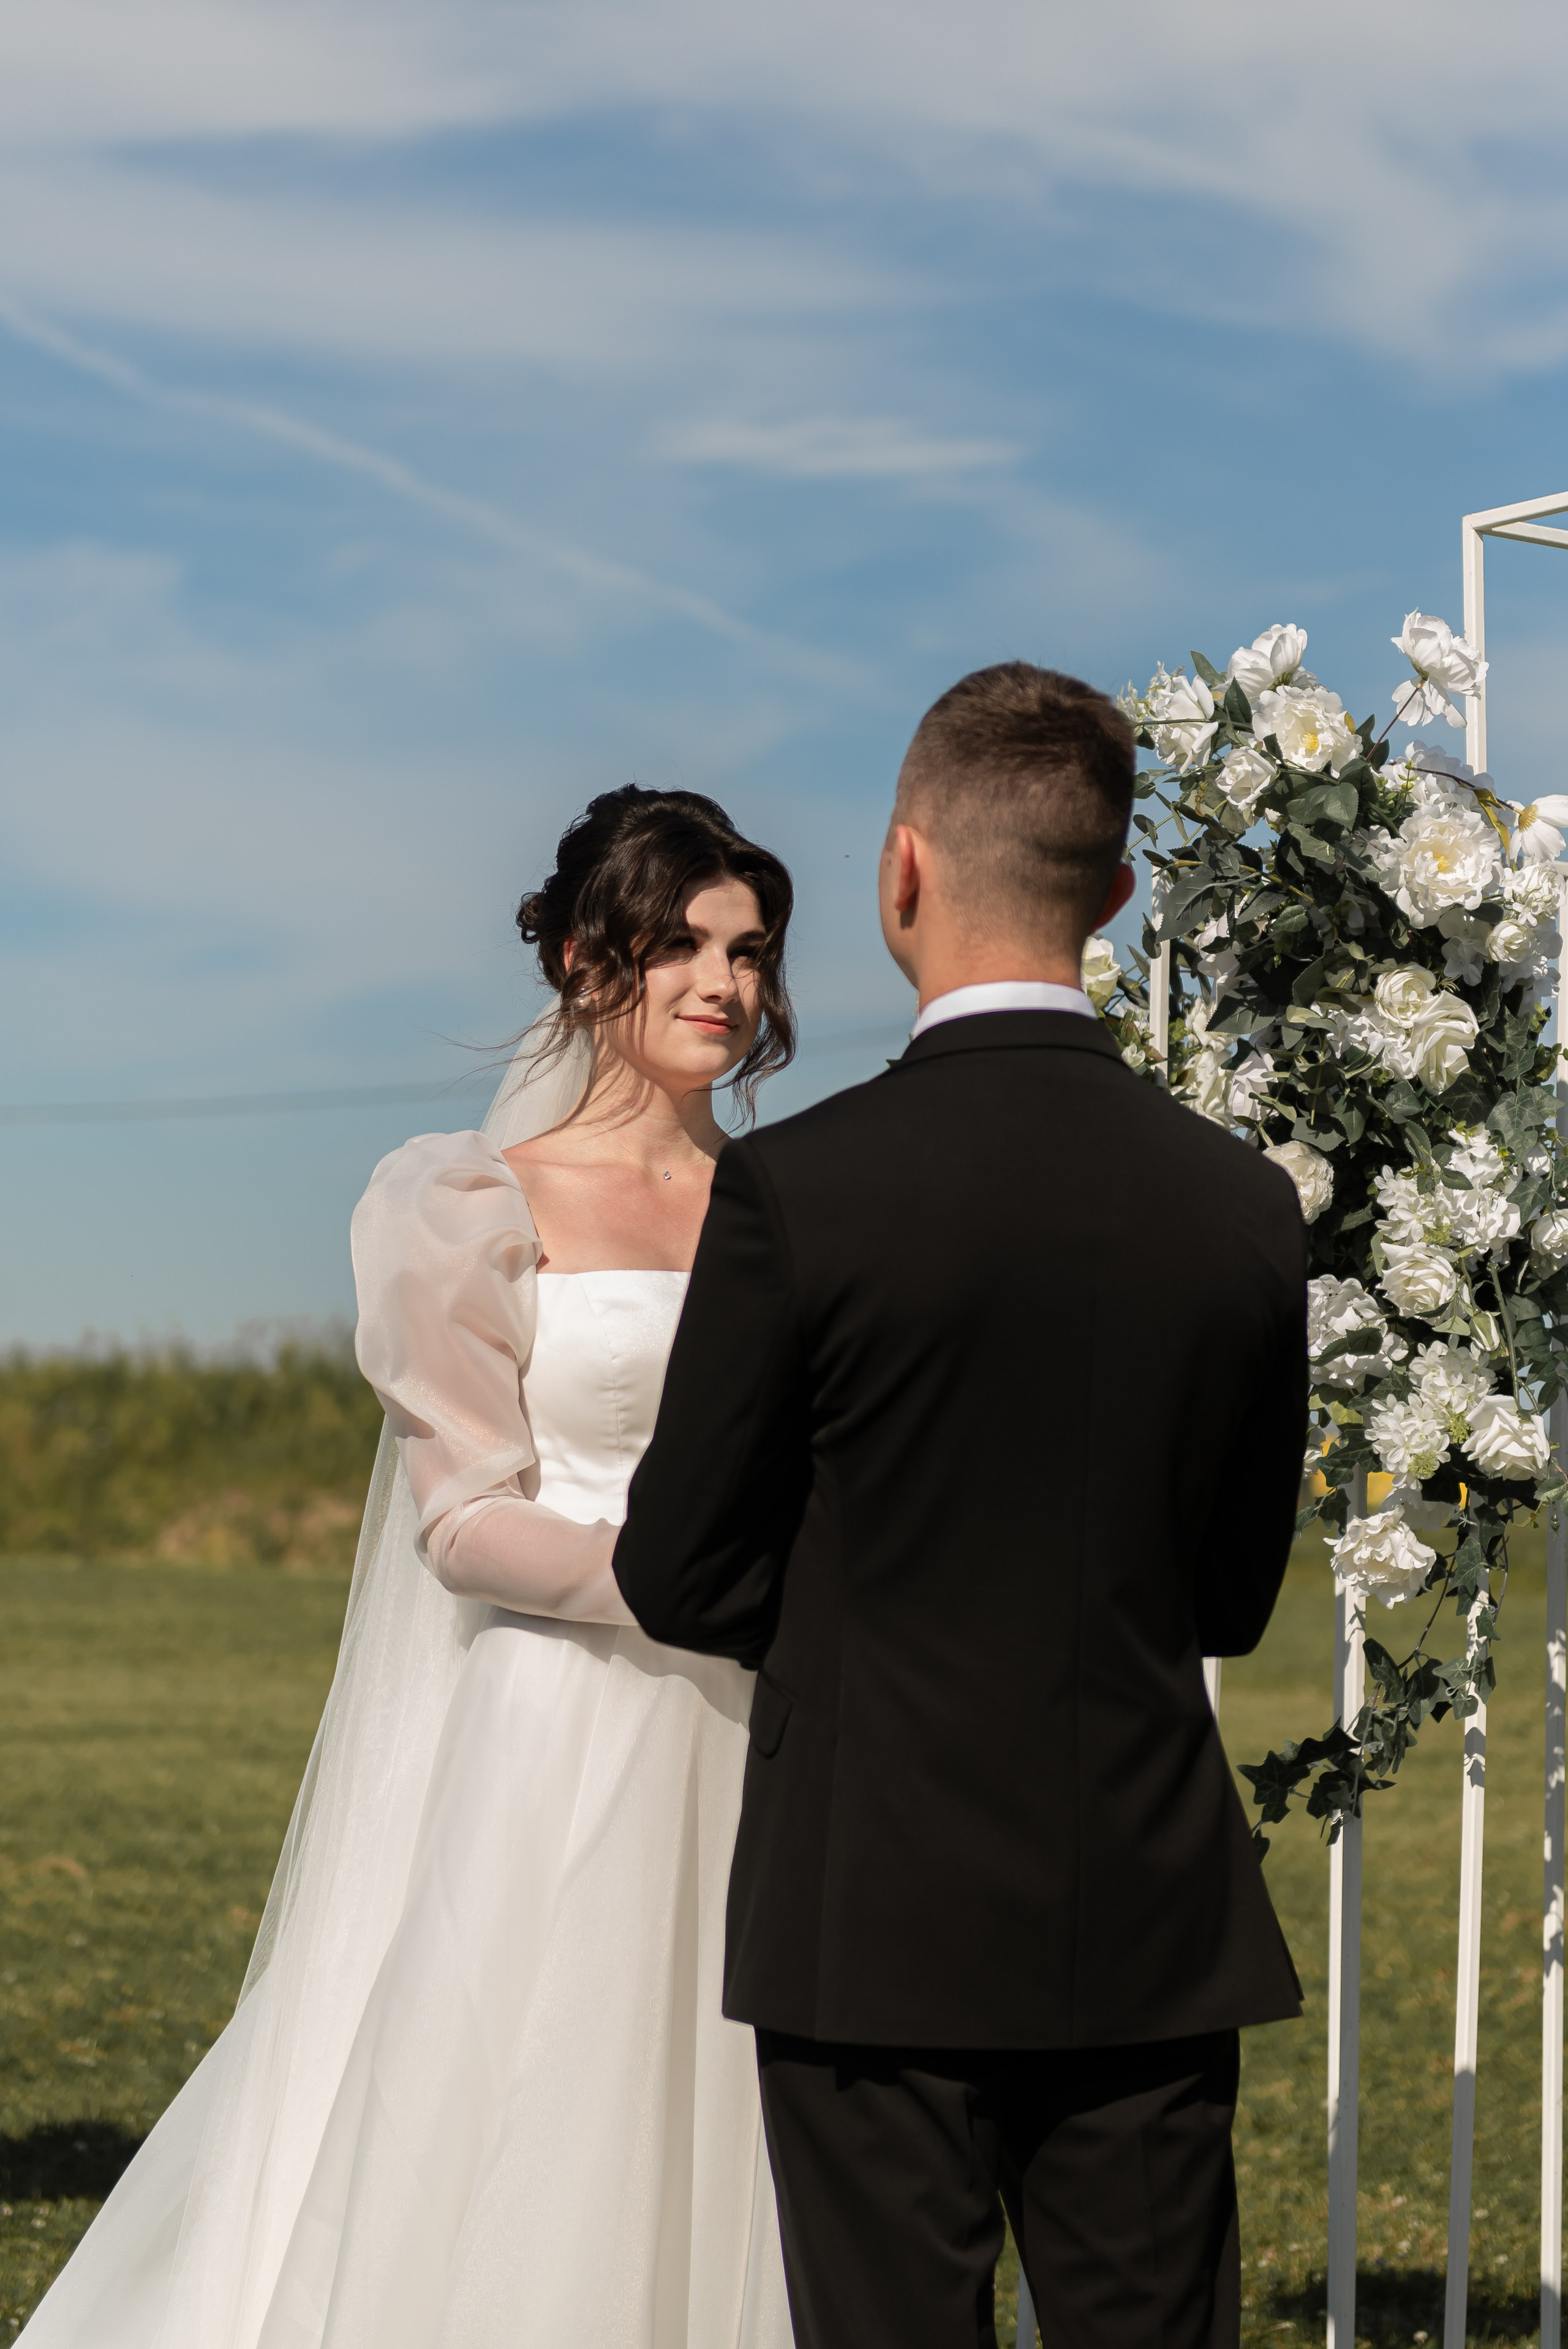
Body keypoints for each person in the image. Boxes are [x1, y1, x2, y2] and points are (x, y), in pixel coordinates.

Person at [21, 785, 797, 2349]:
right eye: (685, 946)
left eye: (751, 950)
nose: (726, 983)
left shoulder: (801, 1205)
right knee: (536, 2120)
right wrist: (676, 1586)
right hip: (562, 1728)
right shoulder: (471, 1202)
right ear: (589, 961)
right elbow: (462, 1519)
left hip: (765, 1729)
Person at [614, 665, 1310, 2349]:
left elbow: (682, 1565)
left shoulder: (805, 1187)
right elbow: (1229, 1594)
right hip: (1146, 1917)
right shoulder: (1241, 1205)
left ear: (900, 872)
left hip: (872, 1917)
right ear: (1121, 897)